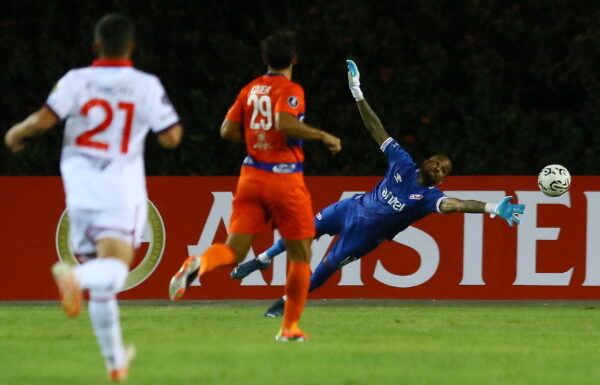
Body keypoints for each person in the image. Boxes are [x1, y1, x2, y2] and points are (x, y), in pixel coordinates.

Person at [230, 59, 526, 318]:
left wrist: (491, 207)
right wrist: (357, 91)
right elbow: (376, 129)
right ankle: (261, 260)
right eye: (437, 162)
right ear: (426, 161)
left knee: (325, 268)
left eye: (444, 170)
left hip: (364, 237)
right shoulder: (403, 162)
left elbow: (457, 205)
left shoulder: (428, 198)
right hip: (351, 207)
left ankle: (284, 303)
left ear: (442, 180)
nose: (438, 168)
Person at [4, 14, 182, 382]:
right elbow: (171, 137)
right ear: (131, 48)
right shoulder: (145, 84)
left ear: (95, 47)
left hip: (79, 191)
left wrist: (15, 134)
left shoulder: (76, 80)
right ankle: (74, 275)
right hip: (119, 187)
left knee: (105, 289)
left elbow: (43, 118)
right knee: (114, 268)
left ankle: (115, 361)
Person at [168, 30, 341, 342]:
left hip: (251, 177)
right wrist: (323, 135)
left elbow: (225, 130)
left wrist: (254, 141)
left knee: (234, 251)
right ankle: (289, 329)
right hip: (284, 178)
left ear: (265, 59)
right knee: (301, 255)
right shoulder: (290, 89)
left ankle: (198, 264)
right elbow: (284, 123)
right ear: (294, 60)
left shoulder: (249, 90)